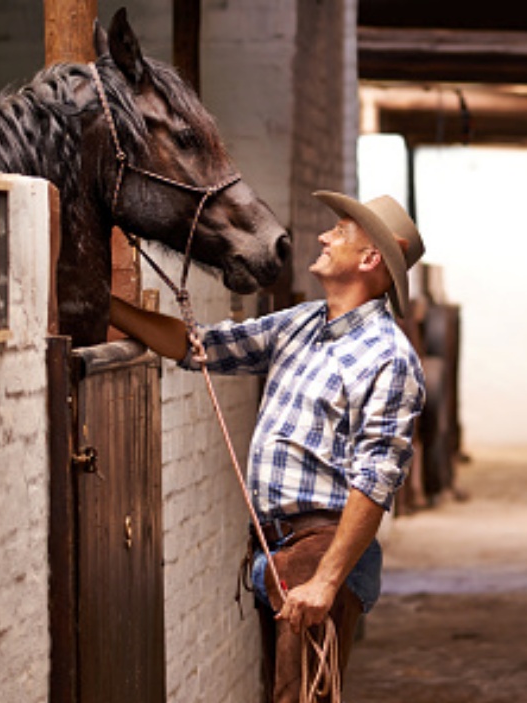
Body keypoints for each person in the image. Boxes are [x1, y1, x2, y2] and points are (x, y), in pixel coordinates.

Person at [110, 190, 427, 702]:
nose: (324, 236)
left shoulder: (389, 358)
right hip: (275, 550)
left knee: (301, 696)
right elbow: (201, 348)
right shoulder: (303, 322)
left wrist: (325, 581)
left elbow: (375, 483)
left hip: (319, 550)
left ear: (370, 259)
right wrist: (107, 306)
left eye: (341, 232)